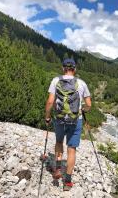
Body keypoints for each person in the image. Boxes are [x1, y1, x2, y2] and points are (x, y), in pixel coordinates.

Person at [44, 58, 91, 191]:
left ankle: (58, 168)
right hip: (76, 120)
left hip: (59, 119)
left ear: (63, 68)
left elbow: (49, 102)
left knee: (59, 142)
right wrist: (82, 110)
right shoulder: (81, 83)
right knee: (72, 149)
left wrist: (47, 116)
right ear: (74, 69)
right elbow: (89, 105)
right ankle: (68, 181)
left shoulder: (55, 80)